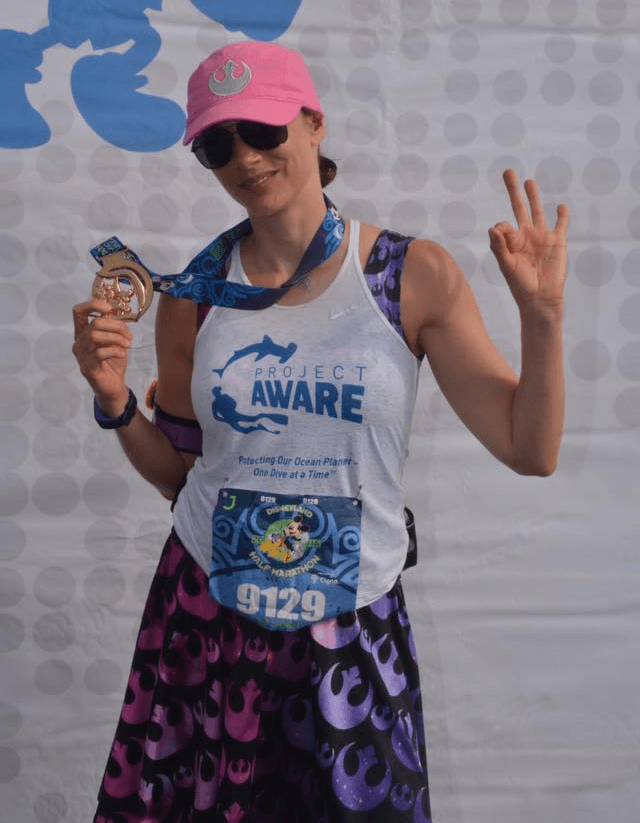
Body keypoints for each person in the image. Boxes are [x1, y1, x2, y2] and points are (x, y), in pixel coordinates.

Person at [72, 40, 568, 823]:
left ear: (312, 124)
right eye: (216, 143)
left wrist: (542, 319)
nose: (245, 157)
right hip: (208, 617)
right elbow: (178, 474)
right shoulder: (193, 295)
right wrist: (115, 403)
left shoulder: (408, 274)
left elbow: (529, 448)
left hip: (349, 627)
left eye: (263, 129)